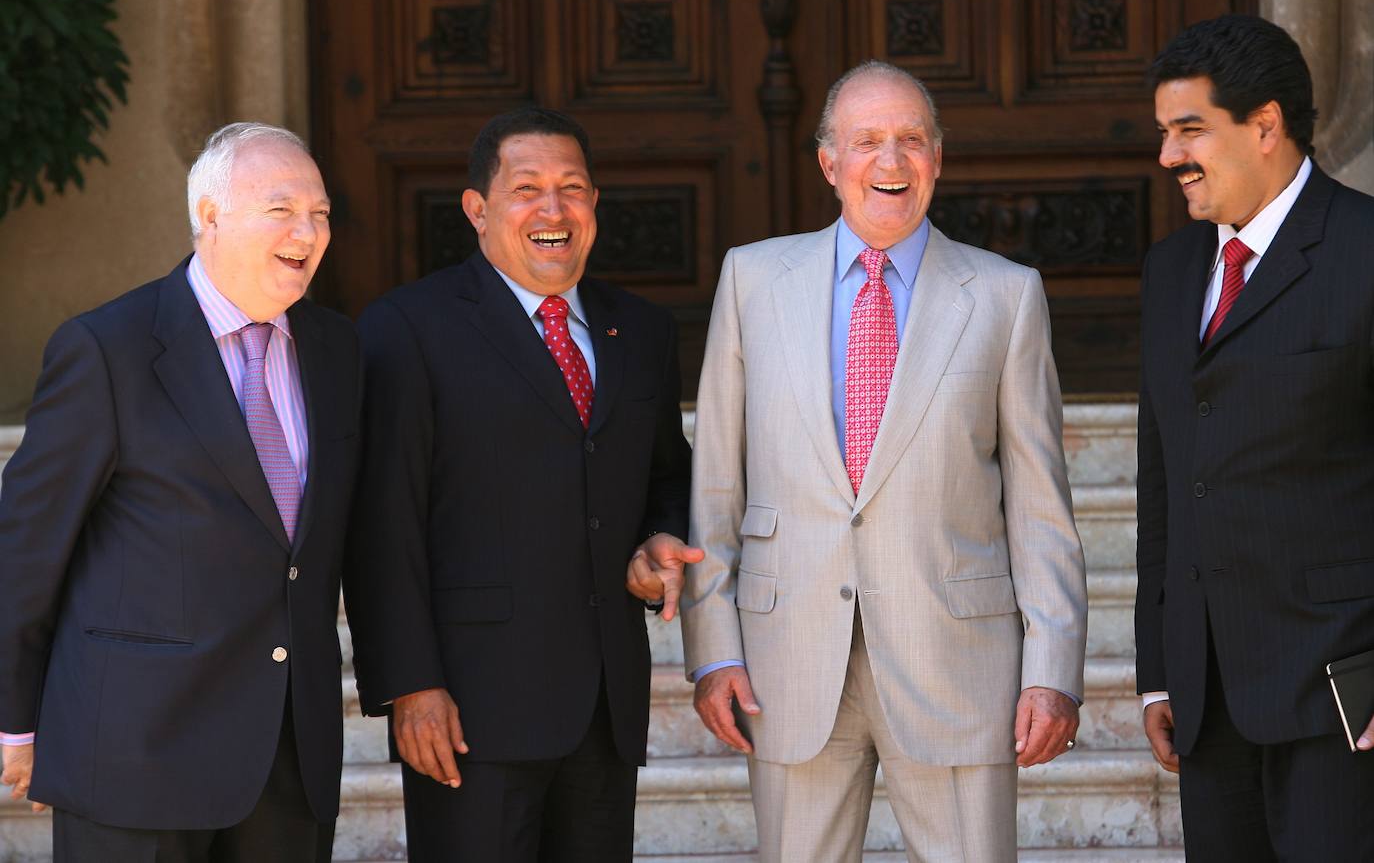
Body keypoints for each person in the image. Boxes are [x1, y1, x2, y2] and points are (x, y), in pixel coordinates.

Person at [674, 60, 1088, 862]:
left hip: (959, 664)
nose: (890, 163)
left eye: (911, 141)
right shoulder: (752, 279)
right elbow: (716, 484)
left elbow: (1041, 505)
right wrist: (713, 647)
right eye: (867, 142)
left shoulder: (1006, 294)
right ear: (830, 163)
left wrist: (1053, 669)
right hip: (786, 660)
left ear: (938, 157)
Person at [343, 106, 695, 862]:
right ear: (477, 210)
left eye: (572, 188)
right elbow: (382, 526)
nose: (553, 208)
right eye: (526, 188)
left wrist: (659, 538)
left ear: (594, 206)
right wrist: (410, 685)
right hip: (471, 710)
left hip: (604, 704)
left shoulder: (642, 331)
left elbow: (667, 474)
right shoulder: (406, 328)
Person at [0, 123, 359, 862]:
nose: (308, 230)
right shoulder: (107, 349)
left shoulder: (337, 350)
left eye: (320, 213)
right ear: (210, 217)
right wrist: (14, 721)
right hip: (134, 756)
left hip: (287, 761)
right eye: (282, 208)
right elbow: (25, 550)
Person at [1136, 14, 1374, 861]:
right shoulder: (1170, 274)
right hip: (1206, 701)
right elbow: (1163, 480)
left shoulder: (1366, 250)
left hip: (1342, 695)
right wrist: (1159, 668)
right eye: (1165, 133)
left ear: (1265, 126)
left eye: (1189, 129)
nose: (1169, 157)